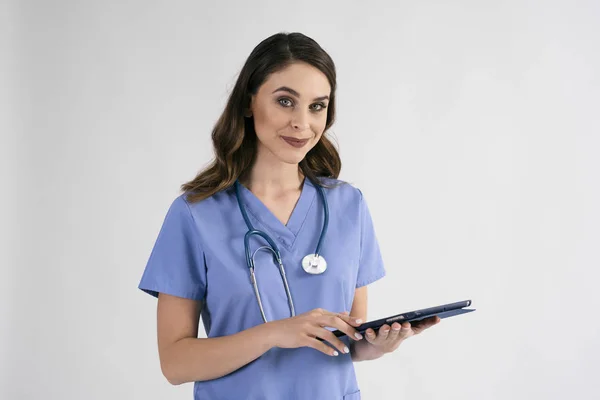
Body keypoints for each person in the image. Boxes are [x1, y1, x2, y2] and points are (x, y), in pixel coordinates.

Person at [138, 31, 440, 399]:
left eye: (317, 106)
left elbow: (349, 341)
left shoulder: (348, 207)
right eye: (285, 101)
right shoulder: (196, 214)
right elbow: (175, 363)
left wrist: (380, 343)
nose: (302, 123)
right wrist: (275, 333)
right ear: (249, 102)